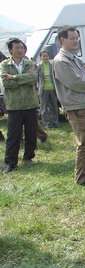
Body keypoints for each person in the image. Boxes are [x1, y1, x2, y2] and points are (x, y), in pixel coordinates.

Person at [53, 26, 85, 186]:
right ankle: (82, 178)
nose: (76, 41)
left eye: (77, 38)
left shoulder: (74, 58)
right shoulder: (61, 60)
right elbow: (75, 82)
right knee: (84, 142)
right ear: (62, 40)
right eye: (72, 38)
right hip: (76, 106)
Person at [0, 37, 39, 174]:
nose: (20, 50)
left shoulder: (29, 63)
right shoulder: (5, 65)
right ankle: (11, 162)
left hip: (30, 103)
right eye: (17, 48)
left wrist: (15, 77)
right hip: (14, 105)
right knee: (13, 135)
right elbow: (6, 83)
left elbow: (34, 78)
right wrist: (24, 78)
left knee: (31, 133)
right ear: (10, 50)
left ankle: (28, 157)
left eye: (22, 47)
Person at [37, 50, 59, 129]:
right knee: (44, 108)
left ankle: (55, 122)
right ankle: (46, 124)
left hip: (52, 88)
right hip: (43, 89)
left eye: (46, 56)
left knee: (54, 107)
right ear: (40, 57)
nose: (45, 57)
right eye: (43, 56)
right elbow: (36, 78)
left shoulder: (52, 65)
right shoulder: (38, 66)